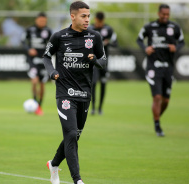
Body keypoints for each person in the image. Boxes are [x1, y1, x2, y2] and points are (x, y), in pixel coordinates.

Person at [43, 1, 107, 184]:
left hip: (84, 94)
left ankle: (53, 164)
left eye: (88, 16)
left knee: (74, 135)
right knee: (71, 135)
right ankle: (77, 180)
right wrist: (52, 71)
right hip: (64, 93)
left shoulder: (95, 37)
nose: (87, 19)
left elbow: (103, 62)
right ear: (73, 16)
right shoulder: (59, 36)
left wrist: (95, 59)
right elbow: (46, 56)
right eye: (83, 16)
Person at [136, 4, 185, 137]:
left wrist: (176, 47)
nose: (165, 17)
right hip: (153, 67)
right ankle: (157, 125)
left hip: (168, 67)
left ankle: (156, 118)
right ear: (158, 14)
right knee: (157, 97)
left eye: (167, 15)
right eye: (163, 14)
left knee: (166, 101)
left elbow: (181, 42)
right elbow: (139, 39)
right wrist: (145, 48)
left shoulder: (174, 27)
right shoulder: (149, 27)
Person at [22, 12, 52, 115]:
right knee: (34, 81)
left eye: (44, 21)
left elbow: (52, 44)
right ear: (36, 20)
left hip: (44, 60)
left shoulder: (48, 31)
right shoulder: (30, 30)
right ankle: (34, 102)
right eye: (40, 20)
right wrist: (29, 49)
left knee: (42, 84)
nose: (42, 22)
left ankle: (39, 106)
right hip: (32, 60)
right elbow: (23, 42)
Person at [89, 11, 117, 115]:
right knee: (94, 83)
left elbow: (116, 43)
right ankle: (93, 108)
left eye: (101, 21)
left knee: (103, 83)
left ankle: (100, 108)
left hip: (104, 61)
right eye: (98, 21)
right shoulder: (90, 28)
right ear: (95, 19)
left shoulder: (108, 29)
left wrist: (108, 42)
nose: (99, 23)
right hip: (93, 61)